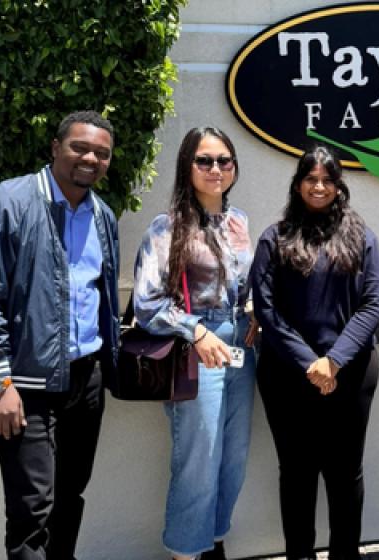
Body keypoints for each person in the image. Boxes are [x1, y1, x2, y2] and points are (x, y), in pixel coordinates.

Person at [0, 110, 120, 560]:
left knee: (71, 498)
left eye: (101, 153)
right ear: (55, 148)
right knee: (32, 511)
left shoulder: (102, 216)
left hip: (86, 381)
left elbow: (99, 299)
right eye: (80, 148)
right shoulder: (9, 202)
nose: (90, 158)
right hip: (26, 383)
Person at [251, 145, 379, 560]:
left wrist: (335, 359)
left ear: (339, 186)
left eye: (327, 179)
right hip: (287, 375)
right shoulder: (274, 237)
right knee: (297, 473)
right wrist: (310, 362)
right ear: (298, 184)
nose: (319, 186)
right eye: (311, 179)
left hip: (351, 374)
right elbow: (265, 308)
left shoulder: (362, 237)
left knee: (346, 474)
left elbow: (373, 303)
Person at [132, 126, 258, 560]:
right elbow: (146, 303)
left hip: (240, 344)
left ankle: (214, 540)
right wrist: (195, 330)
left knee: (233, 456)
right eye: (204, 160)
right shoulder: (168, 227)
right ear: (187, 167)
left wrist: (256, 310)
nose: (215, 169)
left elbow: (244, 283)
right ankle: (186, 550)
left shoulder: (240, 222)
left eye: (224, 160)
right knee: (198, 459)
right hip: (196, 347)